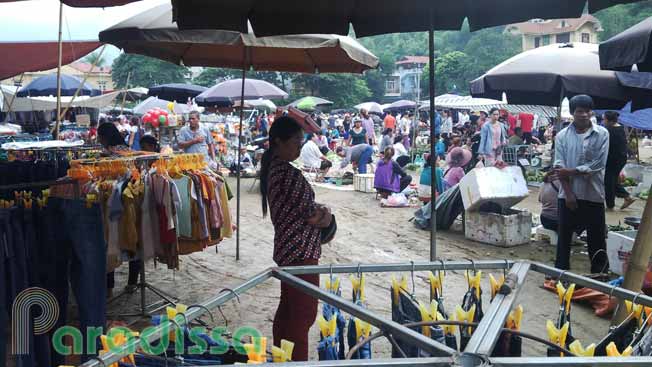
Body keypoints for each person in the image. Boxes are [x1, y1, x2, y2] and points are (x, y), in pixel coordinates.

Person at [259, 116, 332, 361]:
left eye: (301, 143)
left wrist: (320, 211)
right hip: (301, 253)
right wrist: (326, 213)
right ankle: (295, 362)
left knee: (289, 312)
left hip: (290, 250)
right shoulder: (286, 173)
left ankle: (283, 358)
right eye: (295, 143)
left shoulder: (275, 168)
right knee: (303, 315)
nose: (299, 148)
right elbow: (311, 215)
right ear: (278, 142)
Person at [552, 94, 609, 273]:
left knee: (597, 237)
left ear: (591, 112)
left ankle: (600, 274)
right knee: (564, 238)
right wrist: (568, 194)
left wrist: (572, 171)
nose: (584, 114)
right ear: (572, 113)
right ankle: (560, 273)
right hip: (568, 195)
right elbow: (558, 166)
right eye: (579, 111)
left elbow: (599, 164)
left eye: (587, 111)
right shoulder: (561, 136)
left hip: (594, 194)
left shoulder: (602, 134)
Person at [603, 111, 636, 210]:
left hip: (613, 159)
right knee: (612, 180)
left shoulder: (609, 130)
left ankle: (610, 205)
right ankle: (627, 197)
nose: (603, 121)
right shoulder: (620, 127)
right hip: (621, 159)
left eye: (604, 119)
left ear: (609, 120)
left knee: (608, 181)